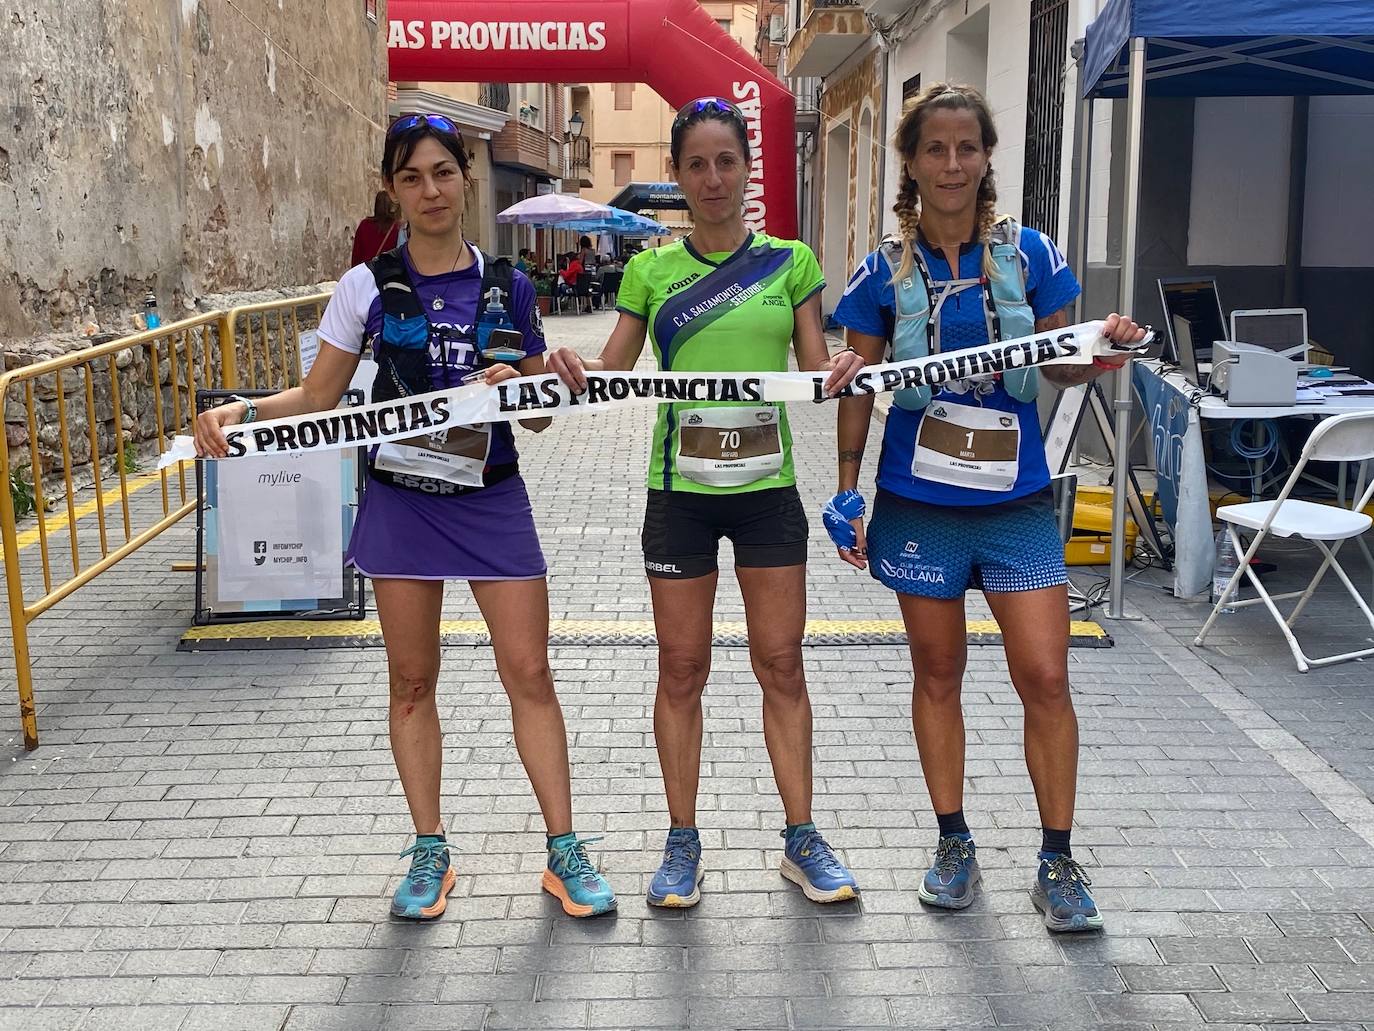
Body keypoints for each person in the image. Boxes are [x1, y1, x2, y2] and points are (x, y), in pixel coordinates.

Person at [194, 114, 616, 922]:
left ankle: (564, 850)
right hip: (402, 501)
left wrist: (535, 379)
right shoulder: (365, 286)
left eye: (444, 173)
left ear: (464, 179)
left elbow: (536, 420)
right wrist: (245, 408)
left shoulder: (510, 286)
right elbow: (318, 398)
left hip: (491, 498)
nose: (430, 190)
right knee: (412, 681)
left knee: (530, 674)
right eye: (412, 177)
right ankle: (429, 847)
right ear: (392, 189)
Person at [827, 82, 1145, 932]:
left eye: (968, 147)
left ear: (987, 156)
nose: (953, 163)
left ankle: (1057, 858)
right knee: (938, 675)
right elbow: (857, 388)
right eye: (937, 148)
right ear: (913, 162)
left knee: (1045, 674)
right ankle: (954, 840)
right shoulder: (880, 270)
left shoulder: (1031, 255)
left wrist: (1098, 351)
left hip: (1015, 499)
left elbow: (1065, 362)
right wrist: (847, 485)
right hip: (919, 499)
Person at [546, 97, 866, 909]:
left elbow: (812, 366)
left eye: (728, 161)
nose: (714, 177)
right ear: (679, 174)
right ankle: (682, 840)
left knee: (781, 663)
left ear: (747, 171)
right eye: (697, 164)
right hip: (679, 495)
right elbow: (613, 369)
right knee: (682, 668)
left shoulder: (791, 262)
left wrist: (840, 367)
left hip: (767, 496)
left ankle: (802, 838)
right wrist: (568, 371)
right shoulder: (653, 272)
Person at [350, 190, 401, 267]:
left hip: (366, 271)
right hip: (387, 273)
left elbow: (356, 255)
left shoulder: (365, 225)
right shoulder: (397, 227)